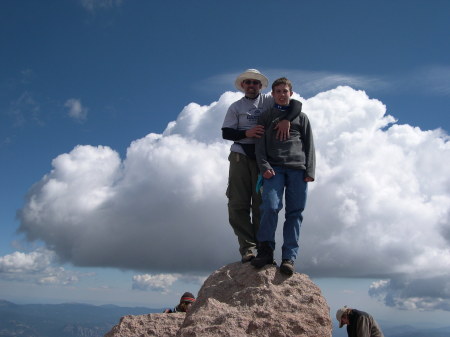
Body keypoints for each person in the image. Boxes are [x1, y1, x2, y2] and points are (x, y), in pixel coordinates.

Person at [222, 69, 300, 263]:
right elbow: (226, 133)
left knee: (262, 205)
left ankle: (263, 251)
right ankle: (247, 248)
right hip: (240, 155)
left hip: (263, 158)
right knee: (237, 203)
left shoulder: (267, 100)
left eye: (255, 83)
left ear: (260, 86)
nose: (251, 85)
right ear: (243, 85)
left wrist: (285, 120)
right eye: (248, 82)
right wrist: (247, 134)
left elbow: (296, 105)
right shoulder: (235, 106)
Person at [251, 77, 315, 276]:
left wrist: (310, 171)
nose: (281, 94)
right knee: (270, 207)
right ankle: (265, 251)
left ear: (291, 93)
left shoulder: (301, 117)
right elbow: (259, 147)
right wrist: (264, 167)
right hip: (274, 169)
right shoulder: (266, 116)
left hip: (298, 169)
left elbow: (310, 144)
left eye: (285, 91)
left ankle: (289, 258)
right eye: (277, 91)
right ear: (272, 95)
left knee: (295, 213)